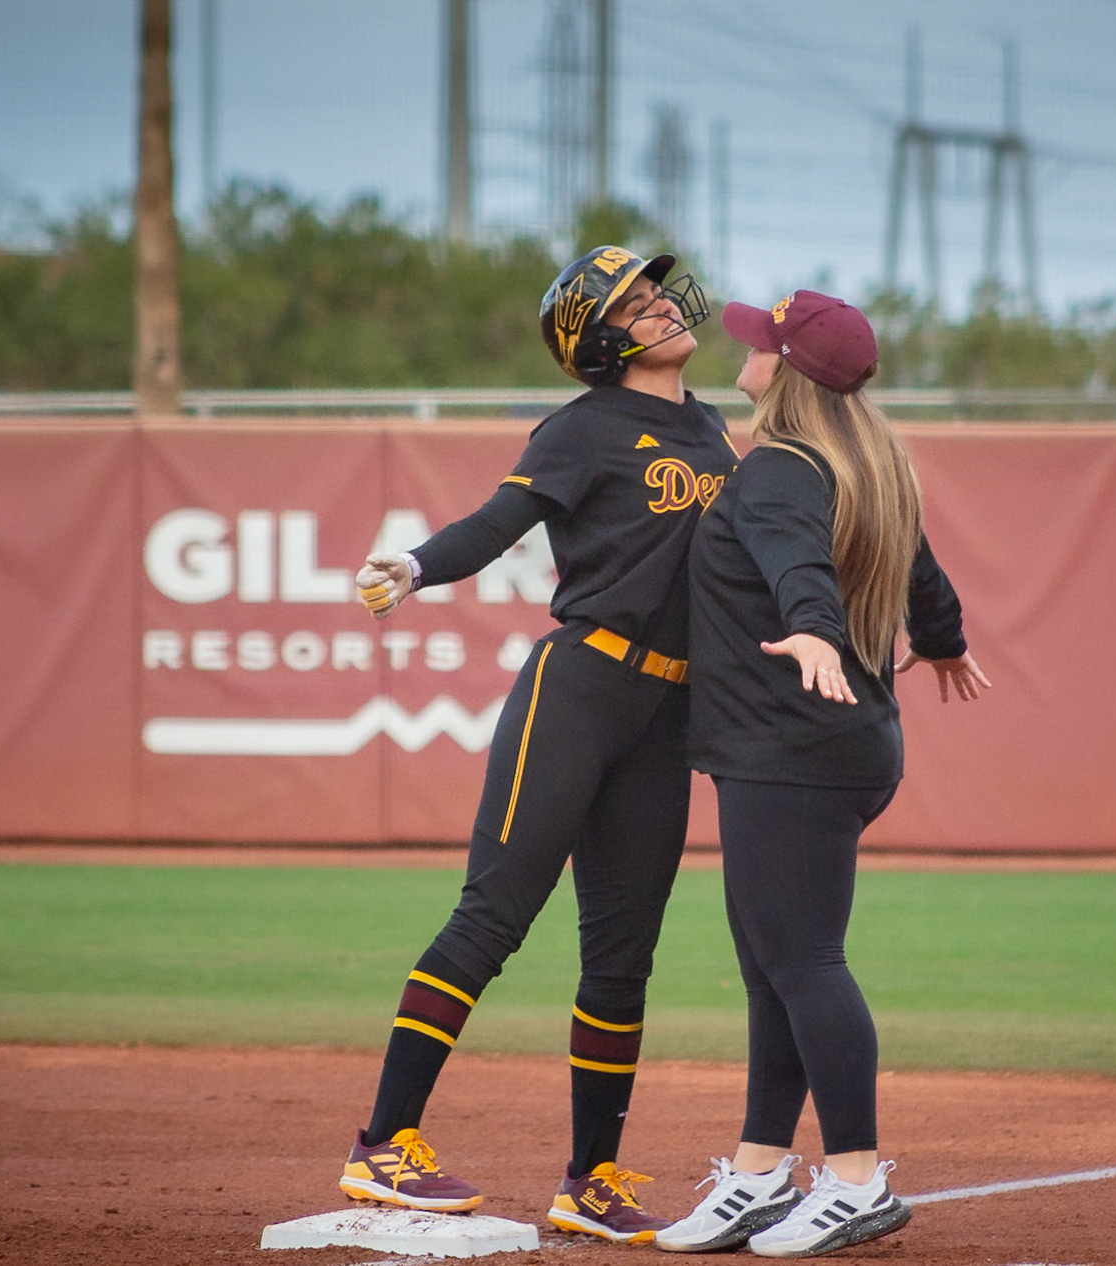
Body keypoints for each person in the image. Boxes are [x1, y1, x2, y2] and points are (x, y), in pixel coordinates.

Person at [338, 245, 737, 1243]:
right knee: (494, 918)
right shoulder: (586, 427)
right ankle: (384, 1143)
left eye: (656, 293)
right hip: (581, 689)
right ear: (600, 340)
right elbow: (497, 523)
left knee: (622, 956)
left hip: (667, 715)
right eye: (634, 304)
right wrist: (418, 563)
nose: (658, 307)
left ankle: (590, 1179)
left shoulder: (713, 429)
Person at [655, 290, 991, 1257]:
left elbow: (794, 560)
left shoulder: (780, 471)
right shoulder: (869, 459)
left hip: (792, 748)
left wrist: (809, 624)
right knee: (774, 968)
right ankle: (760, 1172)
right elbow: (923, 576)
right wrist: (945, 643)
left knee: (802, 963)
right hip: (829, 744)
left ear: (791, 371)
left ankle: (856, 1179)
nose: (745, 353)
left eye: (761, 346)